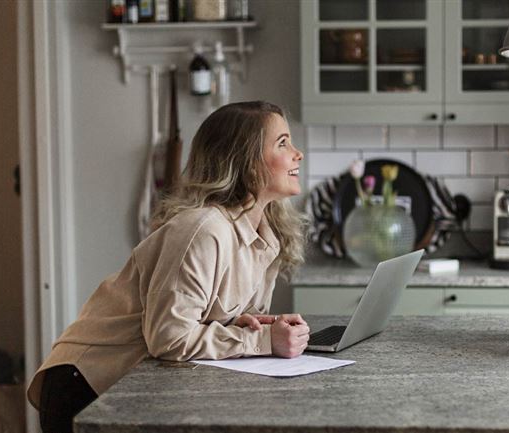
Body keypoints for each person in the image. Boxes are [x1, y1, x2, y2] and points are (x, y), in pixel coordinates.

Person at [27, 101, 312, 432]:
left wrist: (250, 324)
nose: (297, 153)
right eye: (283, 143)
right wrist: (262, 341)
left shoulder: (265, 236)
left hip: (136, 386)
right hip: (86, 387)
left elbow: (203, 316)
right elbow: (168, 337)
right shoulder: (204, 229)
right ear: (245, 162)